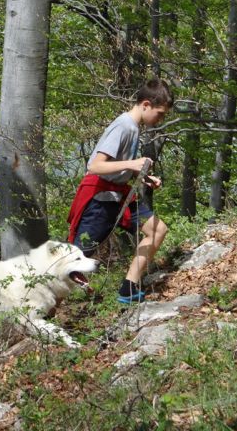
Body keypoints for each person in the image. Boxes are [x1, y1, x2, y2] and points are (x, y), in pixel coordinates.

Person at [67, 78, 172, 304]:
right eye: (160, 113)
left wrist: (141, 176)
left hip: (119, 194)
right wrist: (131, 165)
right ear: (146, 104)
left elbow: (119, 164)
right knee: (73, 261)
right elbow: (95, 166)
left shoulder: (134, 127)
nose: (160, 119)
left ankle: (128, 287)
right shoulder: (124, 125)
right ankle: (42, 307)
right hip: (99, 199)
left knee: (157, 230)